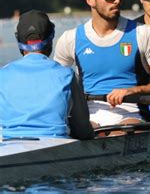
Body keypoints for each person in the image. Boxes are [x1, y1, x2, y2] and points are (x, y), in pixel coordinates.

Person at [54, 0, 150, 128]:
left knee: (121, 130)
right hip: (89, 118)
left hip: (132, 115)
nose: (117, 1)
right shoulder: (70, 39)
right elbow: (56, 87)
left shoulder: (143, 34)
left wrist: (134, 91)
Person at [0, 10, 94, 140]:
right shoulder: (66, 74)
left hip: (10, 144)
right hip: (56, 145)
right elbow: (83, 129)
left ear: (19, 42)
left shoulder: (3, 74)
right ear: (50, 40)